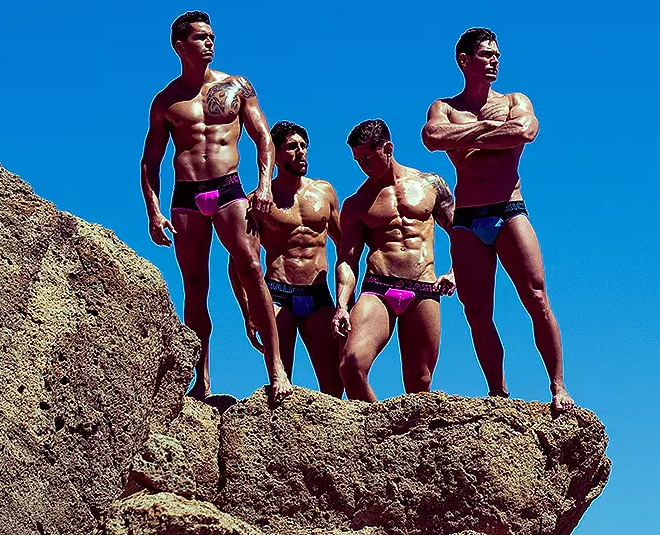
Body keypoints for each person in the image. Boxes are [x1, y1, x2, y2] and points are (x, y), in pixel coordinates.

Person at [140, 11, 292, 402]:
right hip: (186, 197)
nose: (210, 43)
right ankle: (202, 378)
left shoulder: (236, 86)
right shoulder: (166, 101)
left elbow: (263, 138)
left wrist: (264, 186)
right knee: (196, 287)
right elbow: (149, 162)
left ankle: (277, 370)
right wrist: (153, 212)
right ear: (180, 45)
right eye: (201, 38)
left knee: (253, 267)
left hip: (230, 189)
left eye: (212, 37)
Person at [421, 27, 573, 413]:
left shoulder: (514, 100)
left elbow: (525, 130)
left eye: (497, 55)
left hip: (509, 208)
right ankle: (497, 391)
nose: (494, 61)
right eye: (486, 54)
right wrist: (490, 131)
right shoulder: (444, 106)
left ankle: (557, 386)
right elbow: (433, 137)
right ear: (464, 61)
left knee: (536, 297)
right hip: (467, 217)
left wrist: (468, 137)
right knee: (477, 312)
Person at [334, 119, 456, 401]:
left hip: (423, 288)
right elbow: (347, 261)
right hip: (378, 287)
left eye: (367, 157)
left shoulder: (431, 184)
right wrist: (341, 304)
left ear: (388, 148)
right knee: (351, 365)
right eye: (358, 159)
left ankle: (409, 441)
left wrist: (455, 272)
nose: (362, 164)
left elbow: (460, 233)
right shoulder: (356, 204)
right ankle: (377, 431)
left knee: (420, 383)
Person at [230, 120, 343, 396]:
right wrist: (248, 311)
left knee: (333, 383)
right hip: (278, 295)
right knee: (281, 383)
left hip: (318, 294)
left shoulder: (324, 192)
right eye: (292, 147)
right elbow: (239, 263)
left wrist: (345, 301)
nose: (301, 152)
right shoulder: (258, 202)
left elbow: (346, 247)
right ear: (276, 156)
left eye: (304, 146)